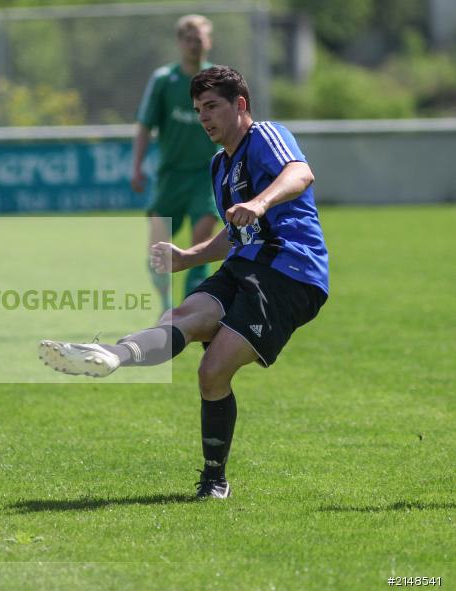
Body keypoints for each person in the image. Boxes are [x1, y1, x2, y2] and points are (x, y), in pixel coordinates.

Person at [40, 66, 329, 499]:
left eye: (212, 107)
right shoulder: (219, 167)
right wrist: (188, 257)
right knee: (182, 318)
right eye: (198, 110)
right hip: (246, 265)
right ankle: (113, 355)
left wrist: (260, 201)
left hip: (290, 272)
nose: (204, 118)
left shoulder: (265, 135)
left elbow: (300, 174)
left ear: (241, 105)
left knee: (213, 369)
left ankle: (215, 480)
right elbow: (235, 234)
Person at [132, 14, 220, 311]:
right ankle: (165, 304)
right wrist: (137, 167)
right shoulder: (163, 80)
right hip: (170, 176)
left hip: (205, 175)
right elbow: (145, 126)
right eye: (189, 39)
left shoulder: (218, 80)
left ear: (209, 41)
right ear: (180, 43)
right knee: (156, 248)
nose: (194, 45)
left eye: (200, 39)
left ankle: (193, 307)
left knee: (201, 240)